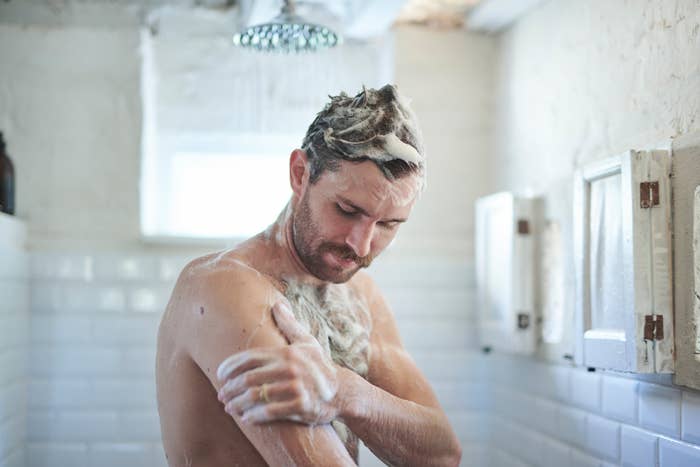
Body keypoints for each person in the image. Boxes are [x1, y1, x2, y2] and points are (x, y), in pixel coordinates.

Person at [156, 84, 462, 467]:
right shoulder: (226, 287)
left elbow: (443, 455)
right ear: (301, 174)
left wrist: (346, 391)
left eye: (388, 224)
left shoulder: (358, 294)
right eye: (347, 210)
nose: (362, 245)